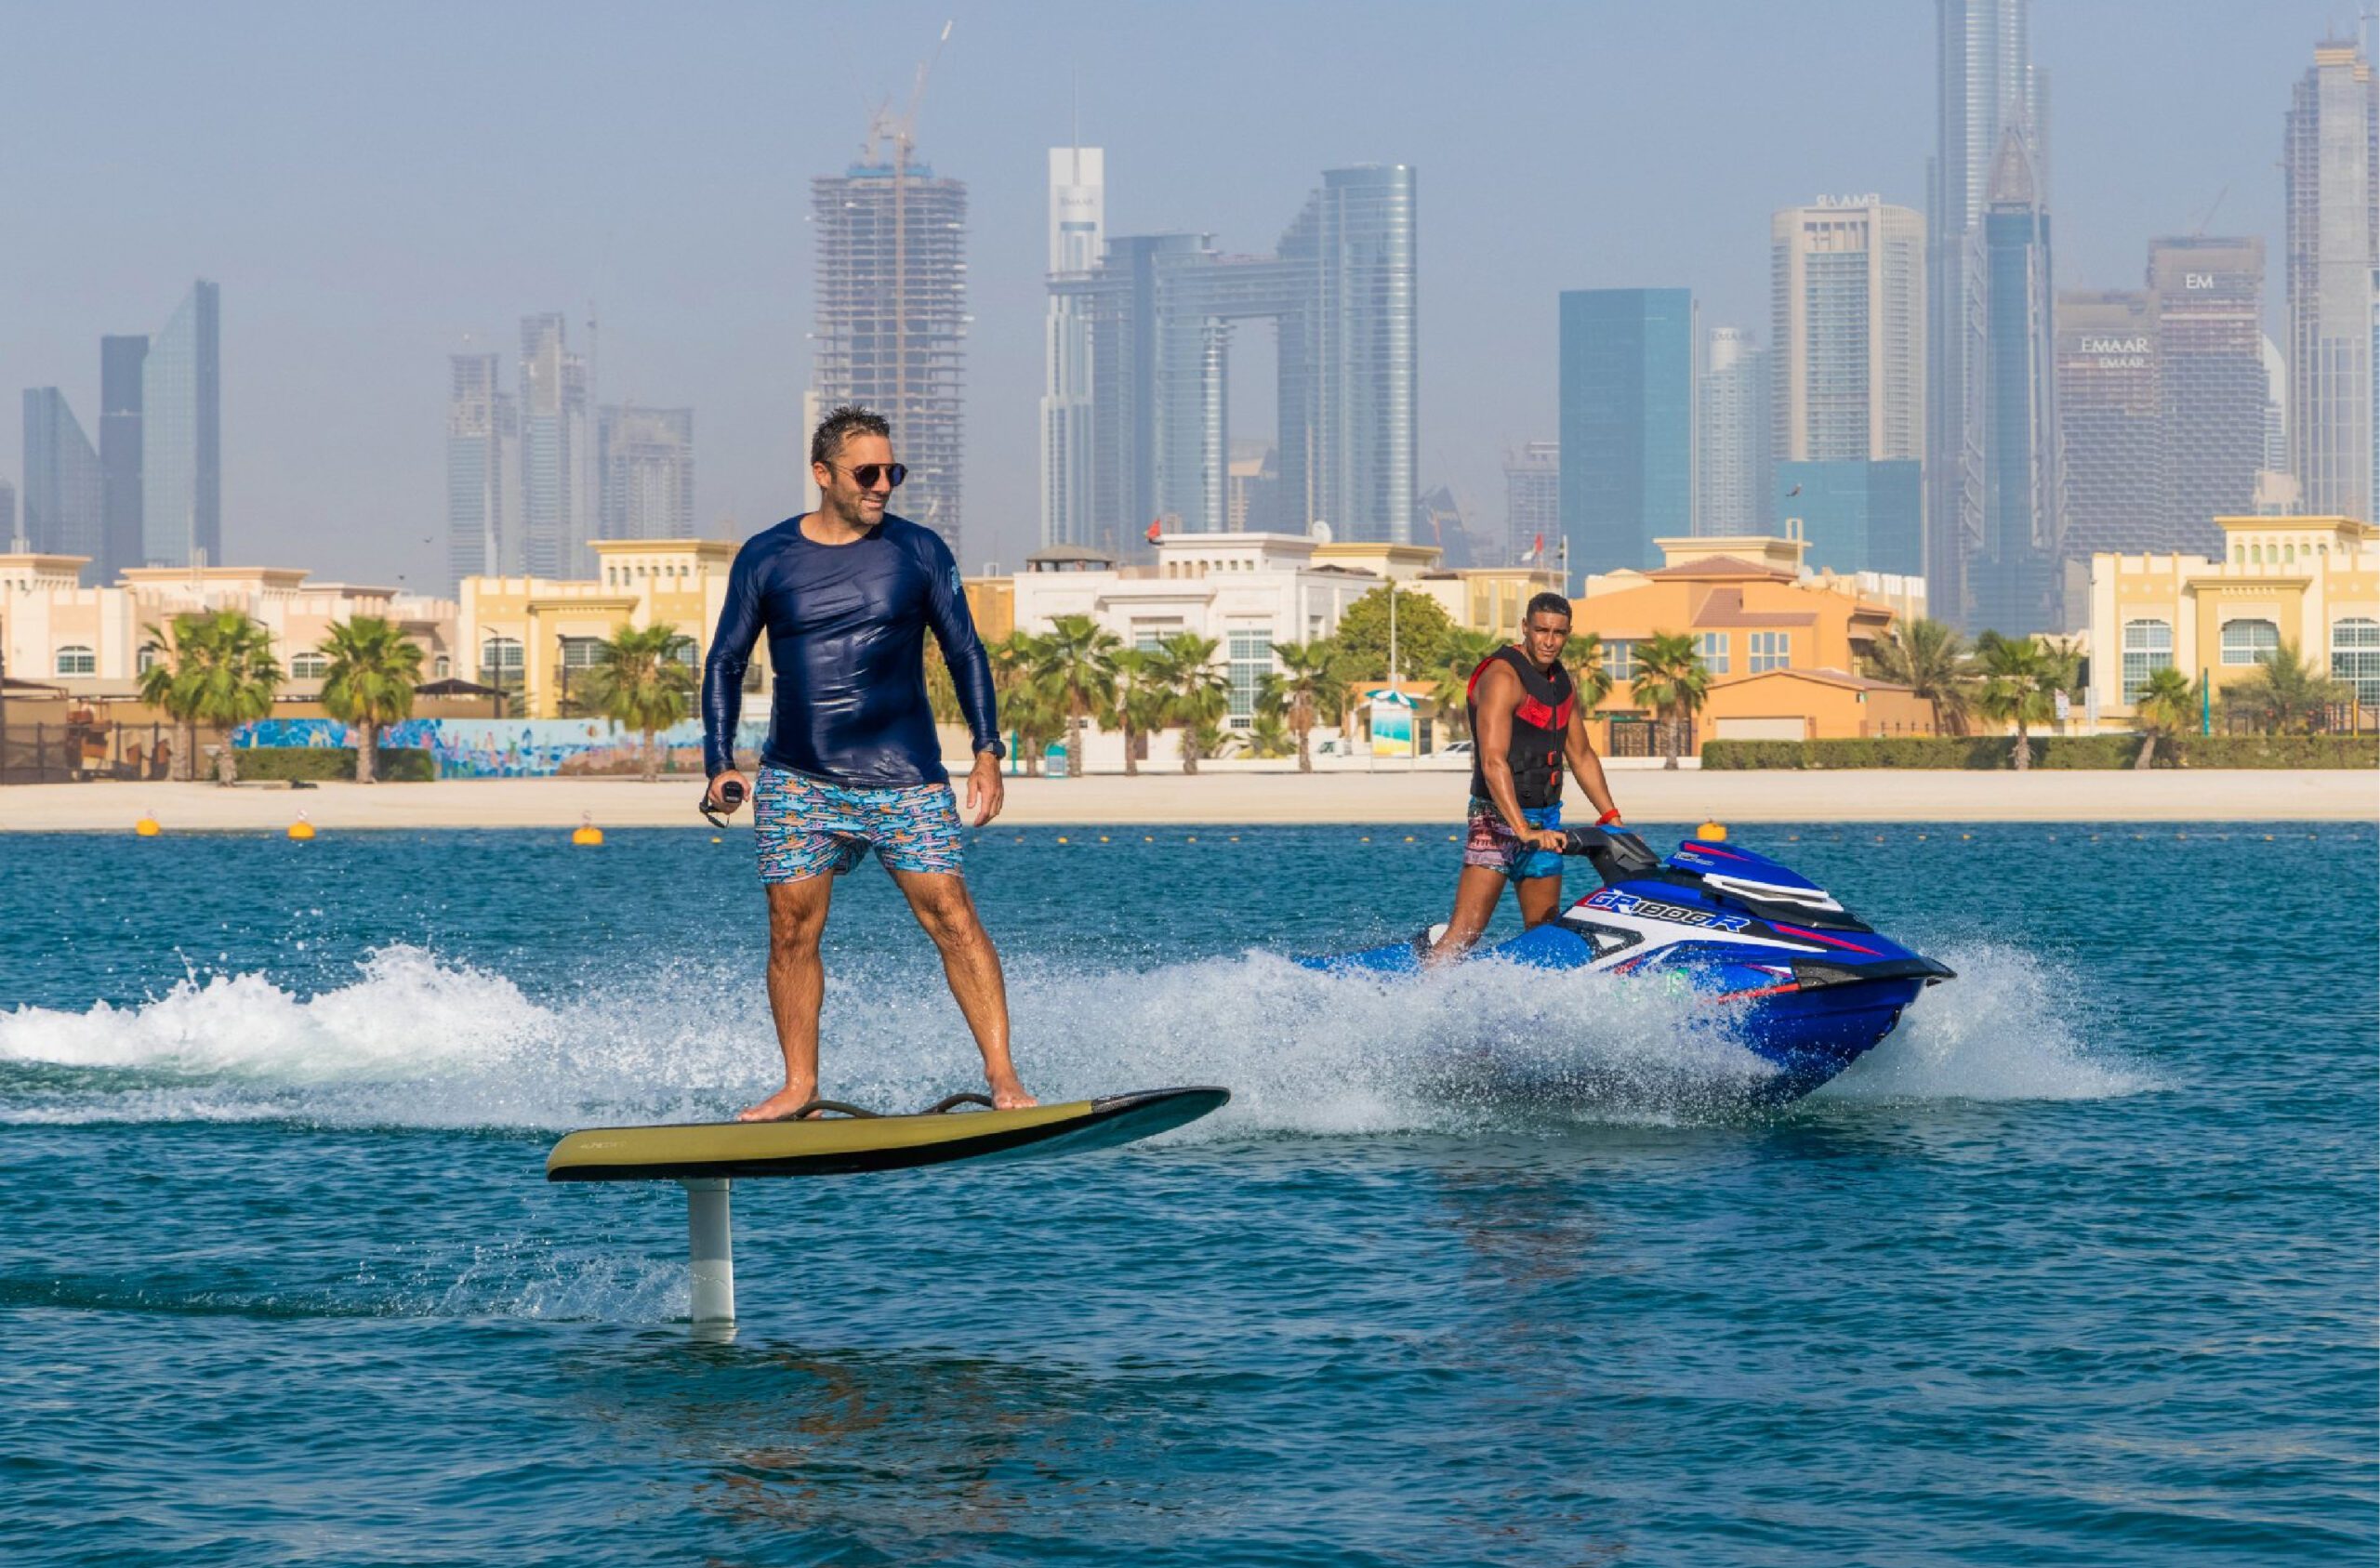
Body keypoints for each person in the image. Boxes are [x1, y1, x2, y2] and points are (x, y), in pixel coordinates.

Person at [699, 404, 1036, 1121]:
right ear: (823, 475)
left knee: (952, 915)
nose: (883, 484)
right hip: (798, 776)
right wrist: (718, 761)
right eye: (867, 472)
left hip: (905, 776)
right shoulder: (766, 555)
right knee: (791, 927)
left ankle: (1004, 1077)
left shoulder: (918, 551)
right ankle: (800, 1087)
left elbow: (965, 650)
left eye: (893, 471)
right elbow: (726, 660)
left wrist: (987, 749)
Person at [1426, 592, 1623, 964]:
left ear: (1568, 634)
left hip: (1545, 821)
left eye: (1559, 633)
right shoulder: (1502, 676)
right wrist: (1521, 829)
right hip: (1496, 821)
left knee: (1543, 935)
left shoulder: (1561, 682)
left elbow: (1580, 755)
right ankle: (1419, 1004)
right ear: (1525, 628)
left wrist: (1612, 818)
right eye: (1542, 630)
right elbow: (1493, 761)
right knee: (1467, 931)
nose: (1549, 641)